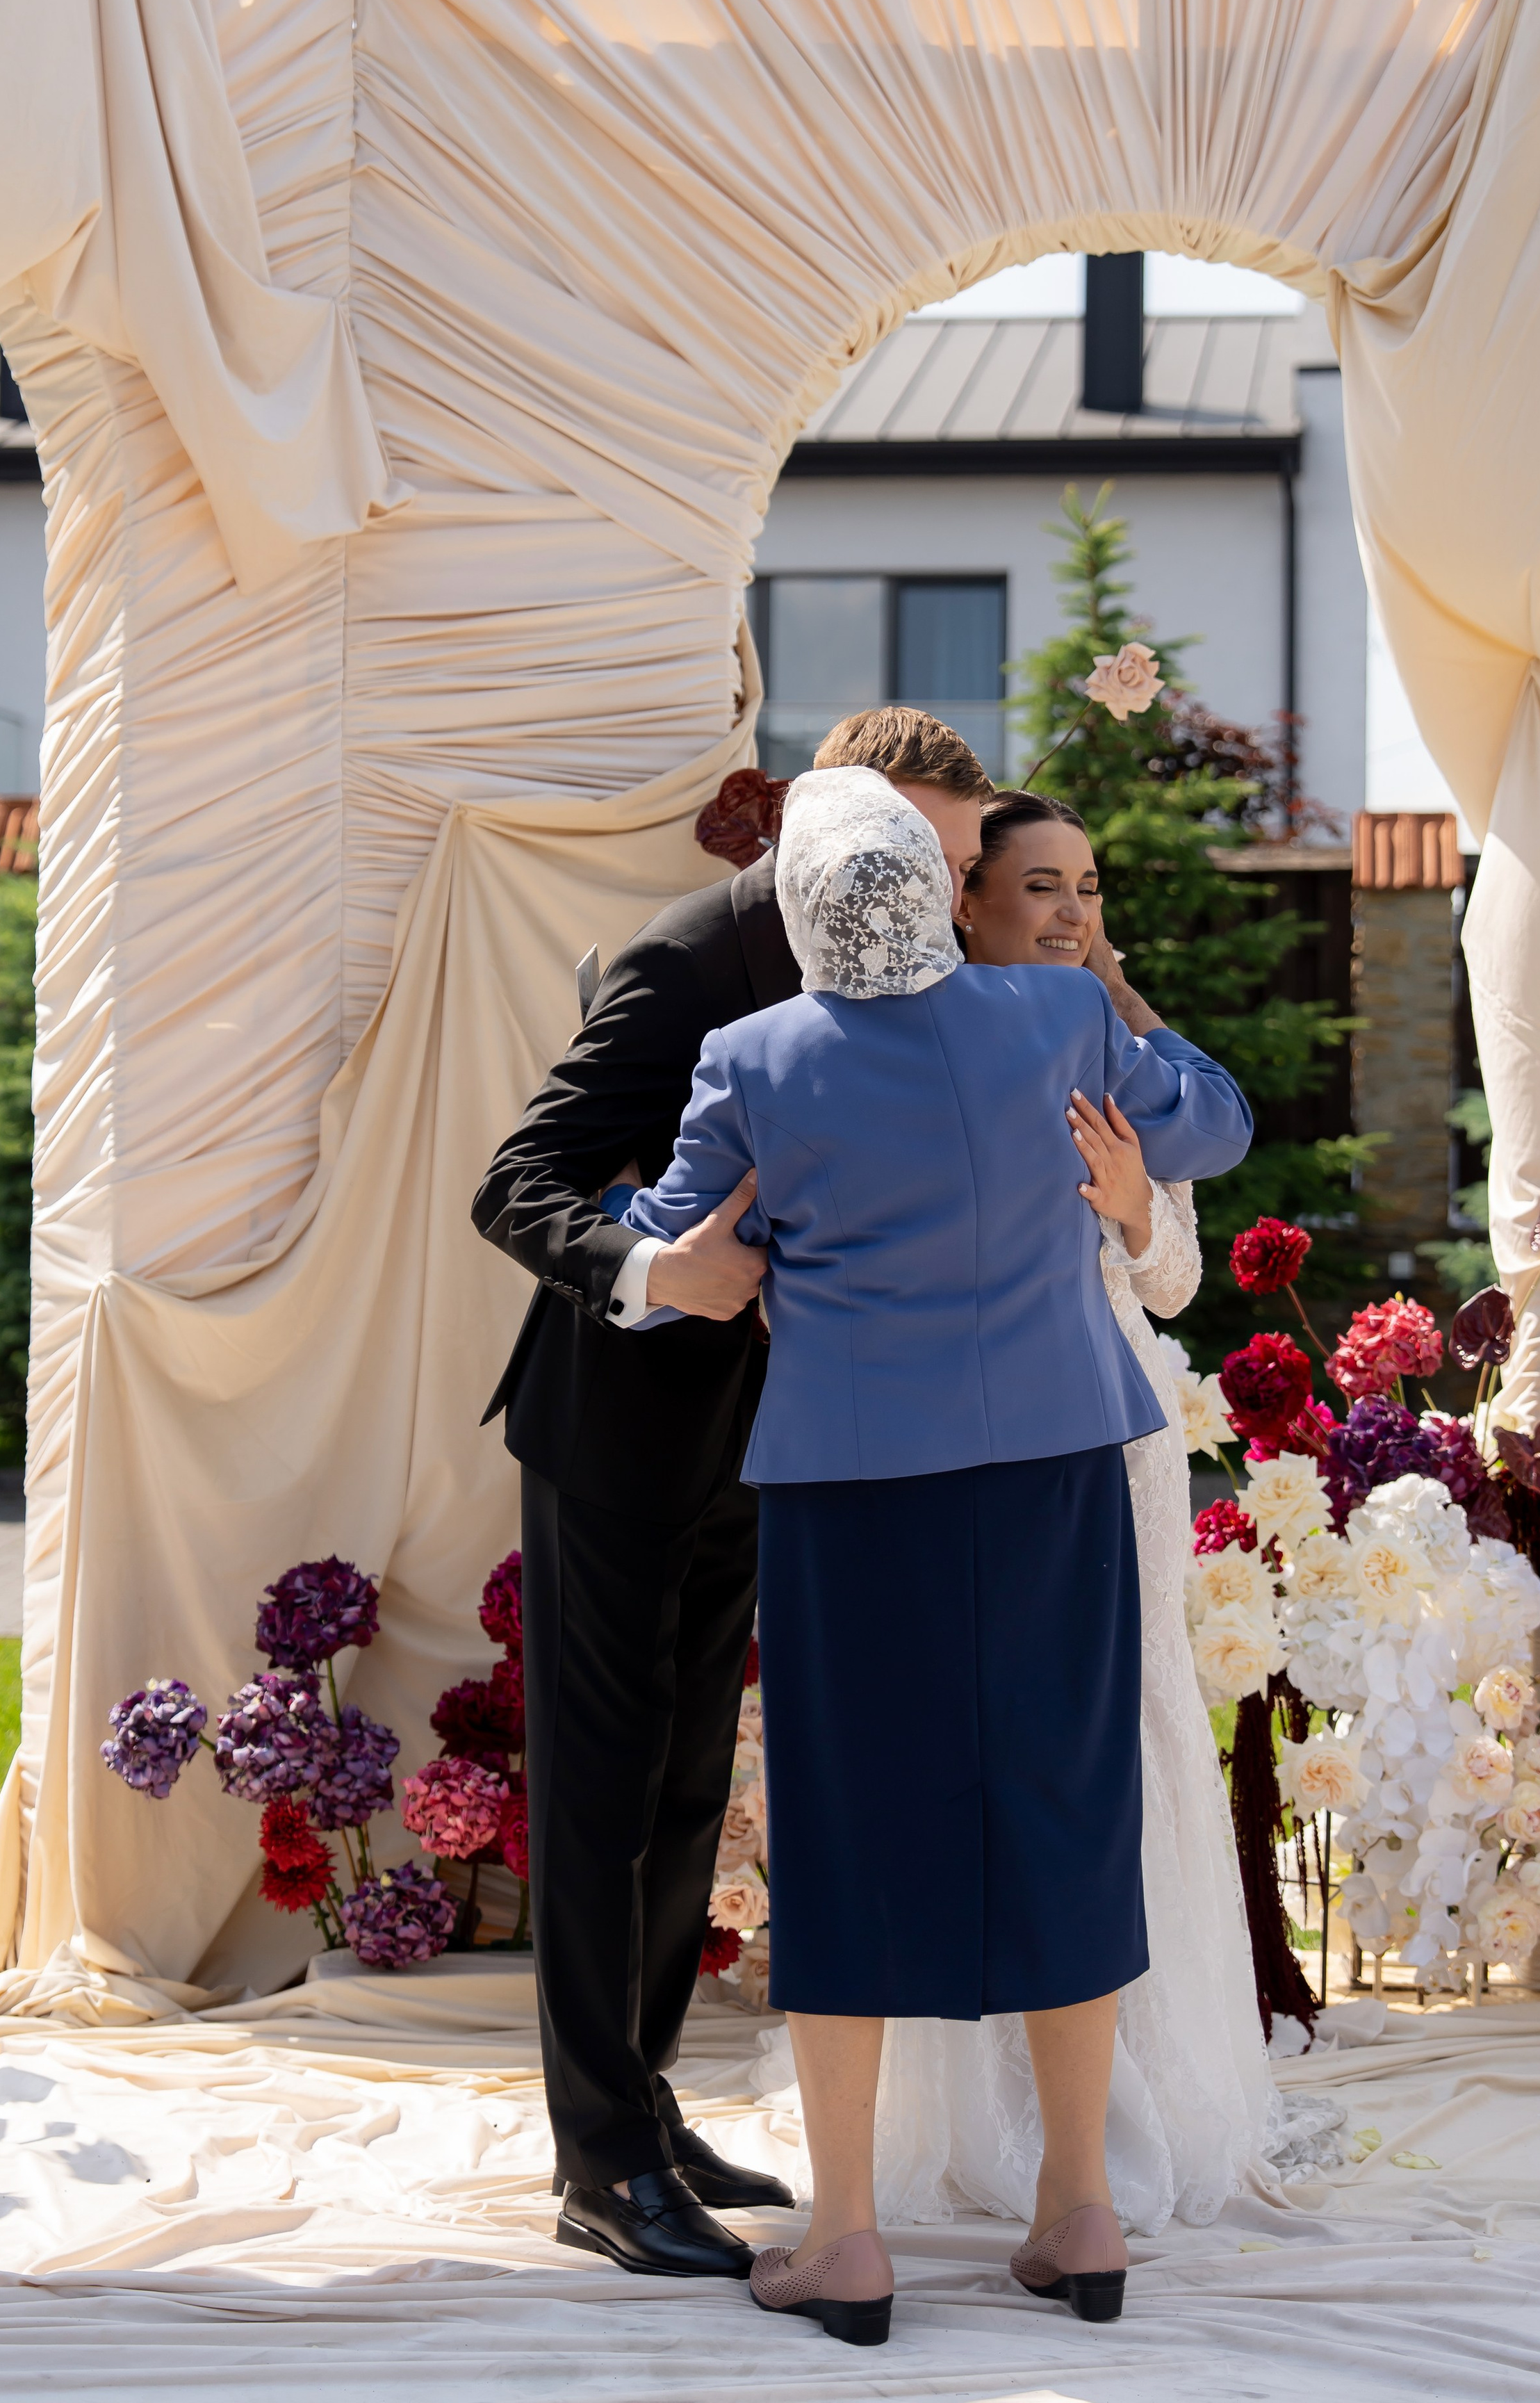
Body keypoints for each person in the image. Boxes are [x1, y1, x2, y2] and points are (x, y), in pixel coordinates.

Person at [620, 767, 1254, 2345]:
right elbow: (1214, 1127)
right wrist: (1116, 1012)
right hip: (1050, 1473)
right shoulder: (1051, 1021)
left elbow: (682, 1259)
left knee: (851, 1833)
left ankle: (846, 2238)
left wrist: (648, 1252)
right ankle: (1077, 2215)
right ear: (930, 878)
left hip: (853, 1488)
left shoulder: (749, 1057)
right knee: (1061, 1805)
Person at [469, 708, 990, 2284]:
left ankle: (645, 2106)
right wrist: (657, 1269)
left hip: (770, 1441)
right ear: (825, 823)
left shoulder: (914, 963)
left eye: (956, 866)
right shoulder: (688, 961)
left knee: (690, 1791)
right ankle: (597, 2166)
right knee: (600, 1795)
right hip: (617, 1431)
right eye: (922, 852)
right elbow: (518, 1181)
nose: (941, 895)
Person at [866, 792, 1268, 2236]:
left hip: (1119, 1439)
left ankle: (1141, 2105)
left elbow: (1172, 1284)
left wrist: (1129, 1206)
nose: (1070, 911)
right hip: (970, 1443)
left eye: (1087, 886)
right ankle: (990, 2118)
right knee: (982, 1754)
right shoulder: (924, 1043)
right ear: (964, 903)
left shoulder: (1106, 1049)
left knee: (1135, 1738)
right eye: (1039, 886)